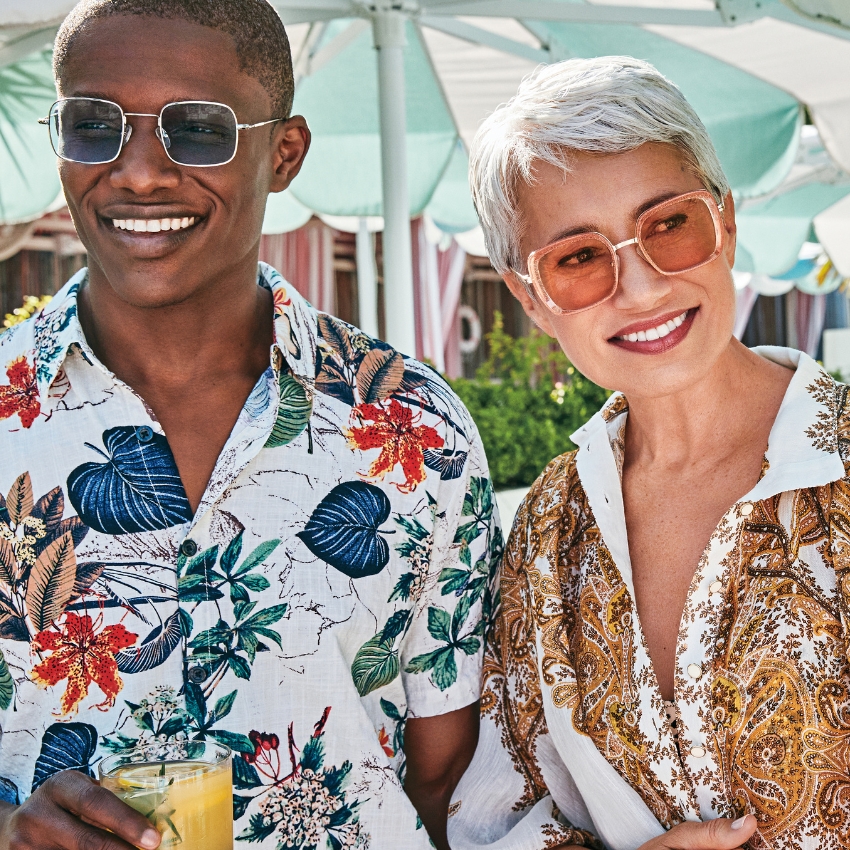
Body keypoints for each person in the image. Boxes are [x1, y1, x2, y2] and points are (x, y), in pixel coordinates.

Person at [0, 2, 501, 849]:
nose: (140, 173)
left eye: (198, 130)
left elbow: (456, 783)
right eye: (94, 126)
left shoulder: (418, 432)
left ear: (286, 153)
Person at [447, 56, 850, 850]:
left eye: (670, 223)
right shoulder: (549, 530)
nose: (639, 289)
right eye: (579, 258)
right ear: (531, 299)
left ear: (726, 223)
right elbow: (499, 809)